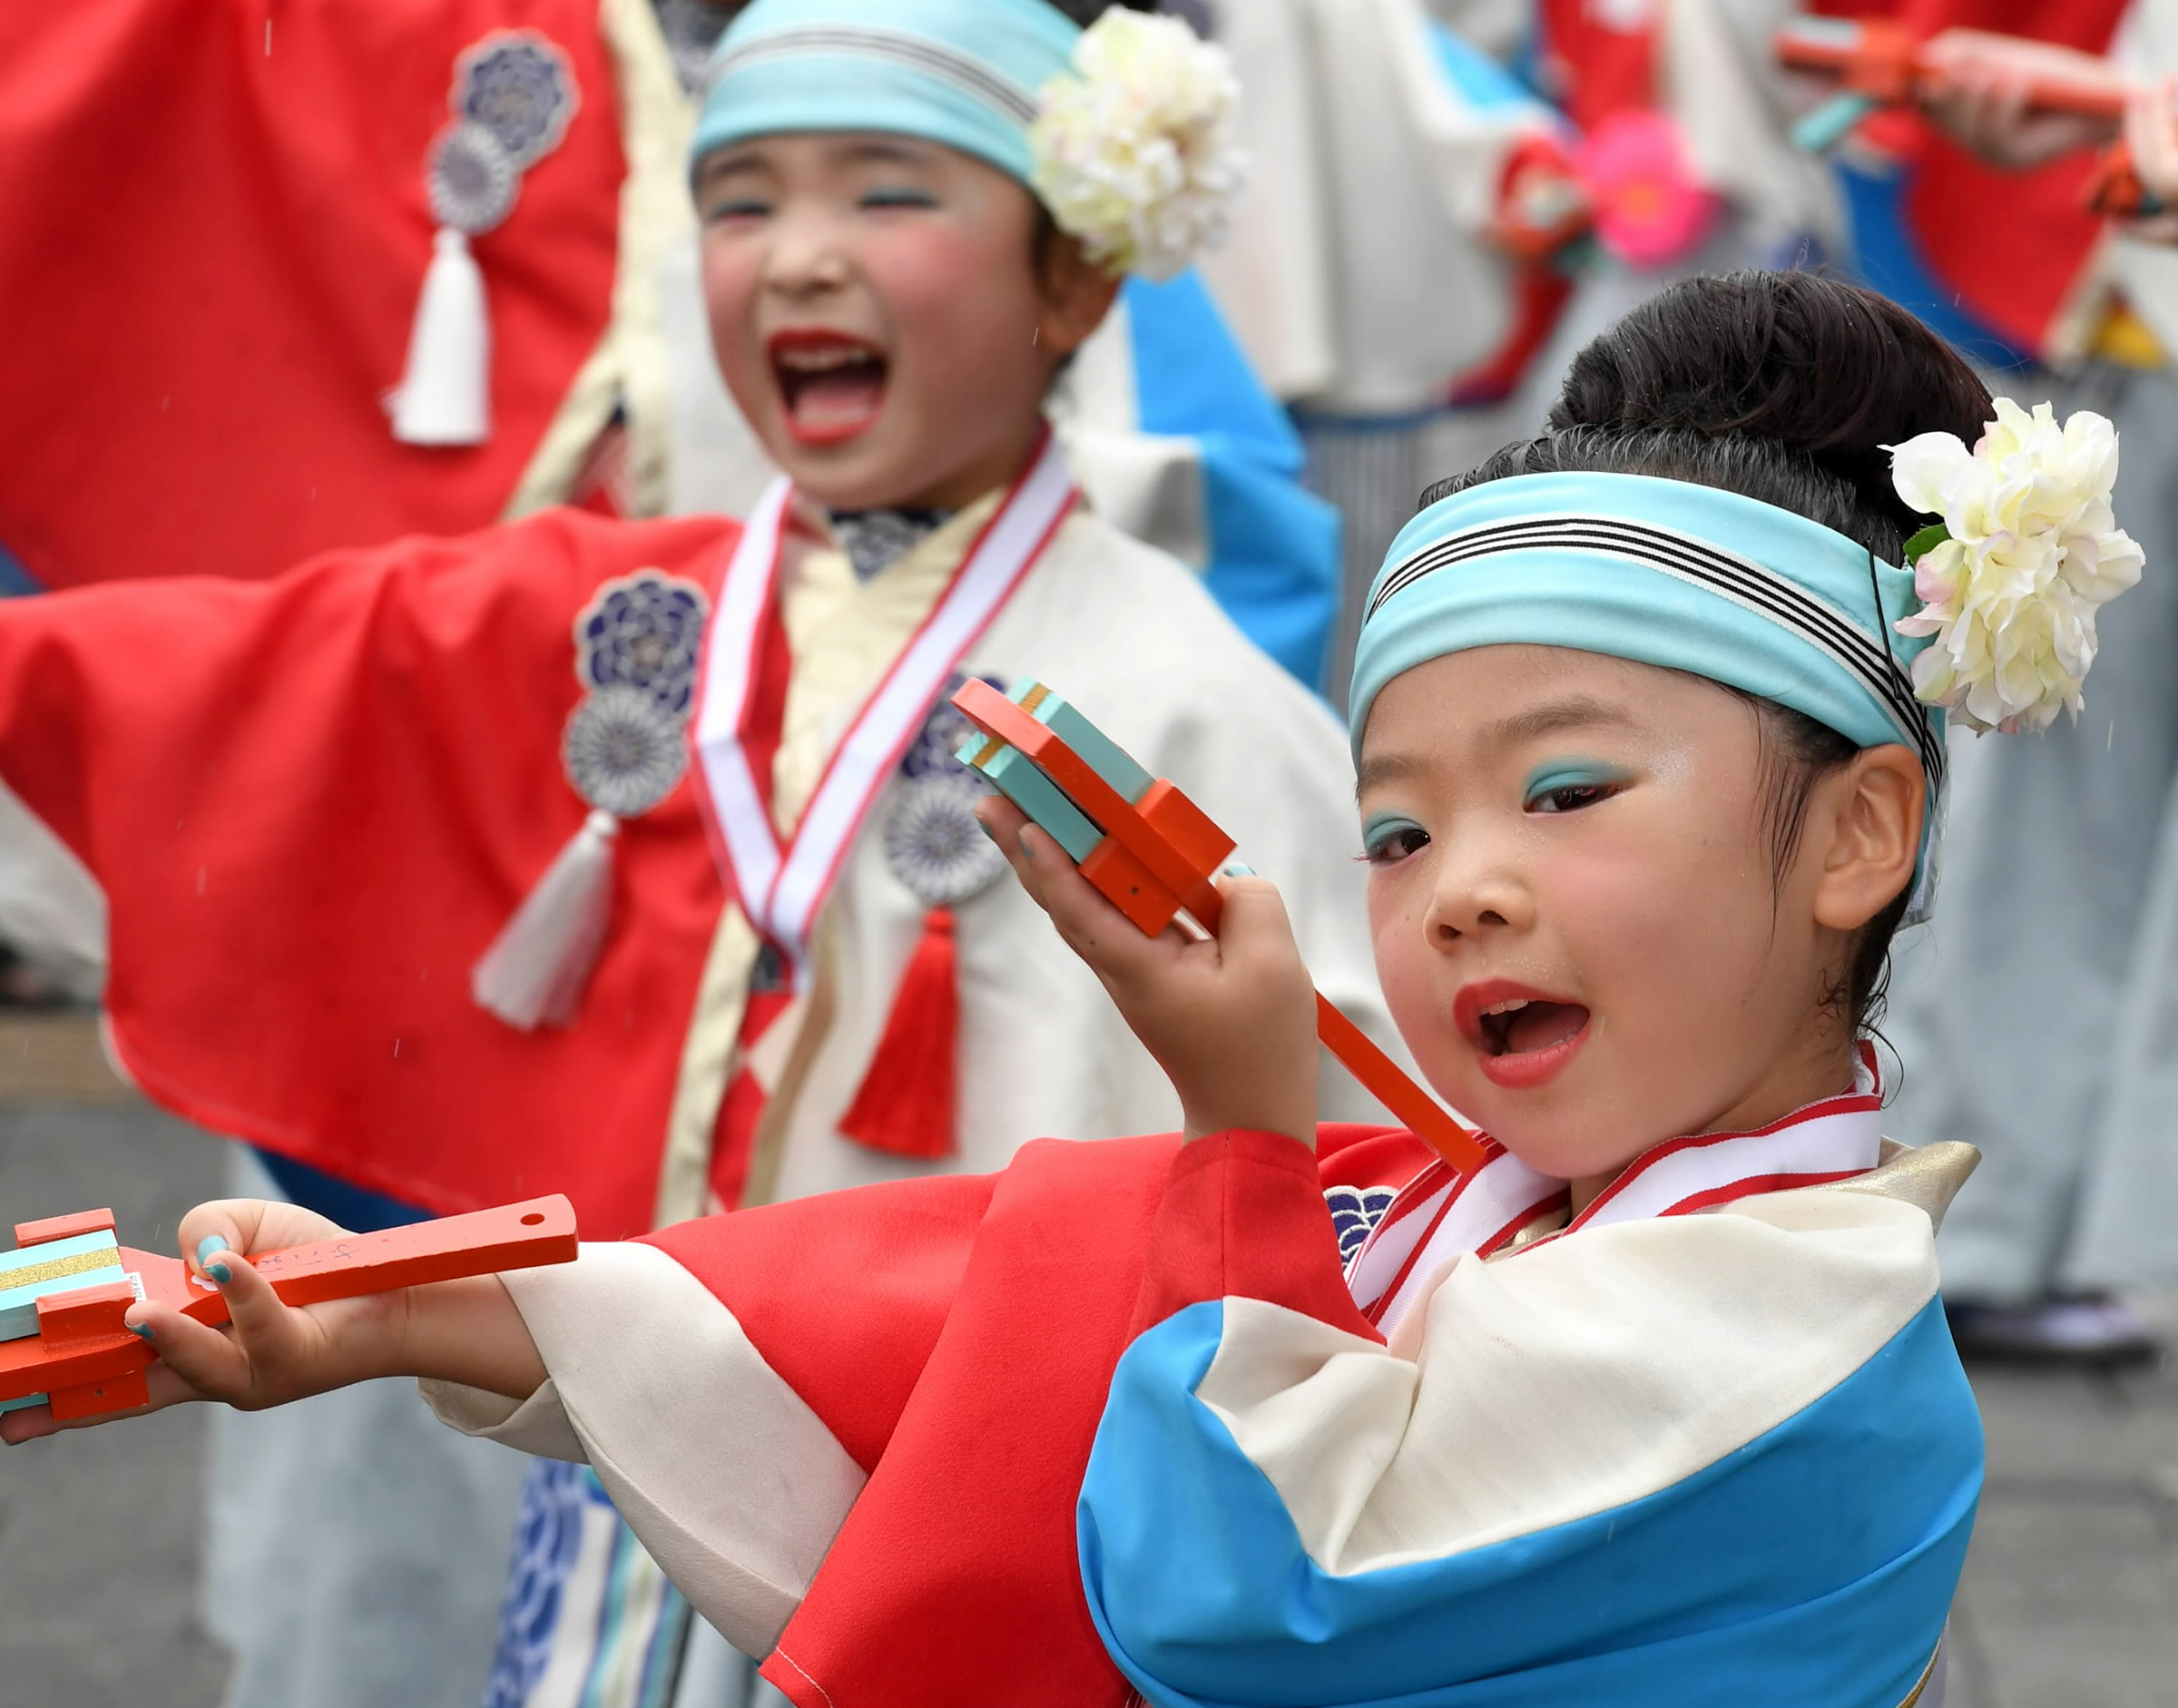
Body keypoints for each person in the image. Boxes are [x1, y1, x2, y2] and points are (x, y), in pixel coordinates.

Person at [20, 271, 2132, 1706]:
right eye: (1395, 832)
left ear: (1862, 830)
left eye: (1562, 790)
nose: (1458, 889)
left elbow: (1248, 1592)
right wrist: (395, 1305)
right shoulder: (1469, 1210)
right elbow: (902, 1314)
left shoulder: (1785, 1326)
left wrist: (1236, 1130)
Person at [0, 4, 1390, 1703]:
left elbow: (1358, 1200)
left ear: (1081, 281)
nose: (797, 258)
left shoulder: (1189, 702)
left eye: (887, 194)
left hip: (991, 1519)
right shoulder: (628, 615)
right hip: (638, 1484)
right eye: (738, 203)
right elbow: (195, 697)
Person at [1831, 10, 2178, 1361]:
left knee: (2054, 789)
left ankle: (2001, 1219)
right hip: (2133, 315)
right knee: (2051, 775)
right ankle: (1993, 1217)